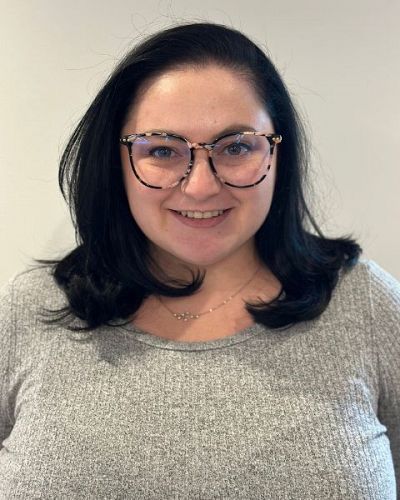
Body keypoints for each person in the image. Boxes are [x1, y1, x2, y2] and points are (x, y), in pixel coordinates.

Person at [1, 22, 399, 499]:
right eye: (162, 150)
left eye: (236, 147)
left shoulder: (367, 306)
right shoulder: (26, 311)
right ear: (115, 162)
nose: (201, 186)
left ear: (279, 154)